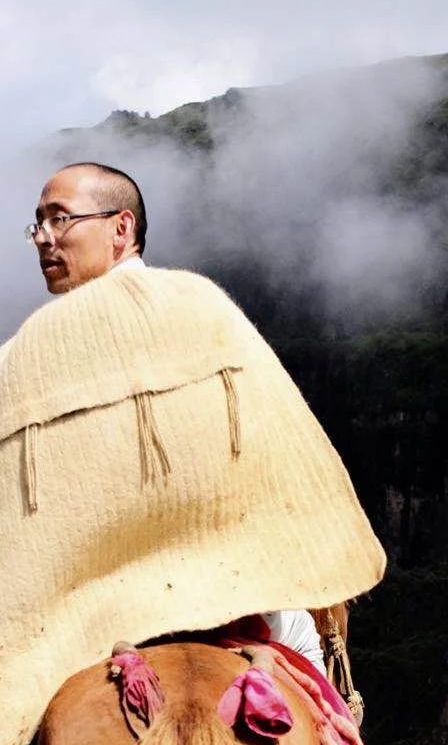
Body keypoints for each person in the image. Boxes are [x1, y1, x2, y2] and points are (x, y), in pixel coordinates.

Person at [27, 161, 325, 674]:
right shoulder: (200, 307)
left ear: (122, 228)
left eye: (60, 220)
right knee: (314, 679)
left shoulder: (51, 342)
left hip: (98, 596)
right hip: (219, 583)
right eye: (38, 223)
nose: (42, 238)